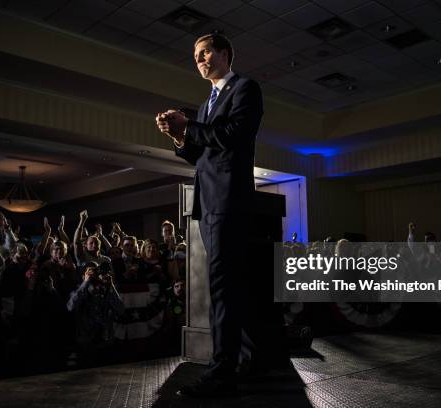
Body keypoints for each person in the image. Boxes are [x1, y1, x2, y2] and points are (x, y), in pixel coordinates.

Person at [155, 32, 263, 397]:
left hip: (230, 201)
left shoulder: (245, 89)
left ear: (225, 53)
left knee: (223, 287)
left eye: (206, 53)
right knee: (231, 285)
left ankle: (222, 371)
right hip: (209, 203)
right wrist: (178, 136)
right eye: (196, 56)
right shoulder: (203, 106)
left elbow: (232, 135)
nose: (200, 60)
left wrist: (189, 127)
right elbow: (200, 155)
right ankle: (244, 361)